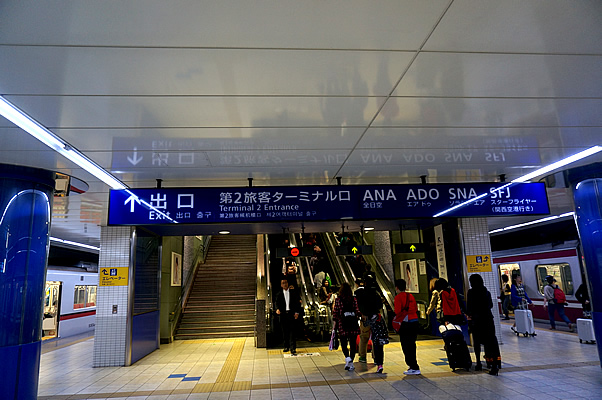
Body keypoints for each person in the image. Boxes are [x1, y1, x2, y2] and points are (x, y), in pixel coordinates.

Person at [466, 274, 500, 376]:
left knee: (477, 342)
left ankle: (478, 363)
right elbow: (491, 305)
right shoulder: (486, 292)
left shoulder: (471, 292)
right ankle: (494, 365)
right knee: (490, 343)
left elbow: (469, 307)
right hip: (489, 320)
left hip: (477, 321)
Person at [356, 274, 387, 373]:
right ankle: (377, 360)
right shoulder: (376, 293)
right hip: (375, 318)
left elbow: (359, 305)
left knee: (364, 337)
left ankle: (363, 356)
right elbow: (379, 305)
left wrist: (363, 314)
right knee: (376, 340)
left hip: (365, 318)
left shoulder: (360, 293)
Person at [394, 279, 421, 375]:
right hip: (414, 321)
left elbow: (397, 311)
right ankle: (413, 366)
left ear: (397, 287)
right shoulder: (411, 296)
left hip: (405, 323)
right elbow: (416, 308)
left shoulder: (398, 297)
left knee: (405, 345)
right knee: (412, 344)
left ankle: (413, 366)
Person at [333, 282, 361, 371]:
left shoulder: (338, 300)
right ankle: (351, 362)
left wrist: (334, 326)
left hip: (342, 324)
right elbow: (357, 311)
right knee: (353, 344)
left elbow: (335, 314)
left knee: (344, 344)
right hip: (353, 324)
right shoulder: (354, 299)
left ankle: (348, 359)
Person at [275, 277, 302, 355]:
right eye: (283, 283)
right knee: (284, 331)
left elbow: (297, 303)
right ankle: (286, 346)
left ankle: (293, 348)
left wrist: (297, 313)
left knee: (292, 332)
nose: (285, 284)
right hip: (283, 314)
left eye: (286, 282)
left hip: (291, 314)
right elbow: (276, 303)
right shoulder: (279, 294)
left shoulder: (293, 293)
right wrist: (277, 309)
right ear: (281, 285)